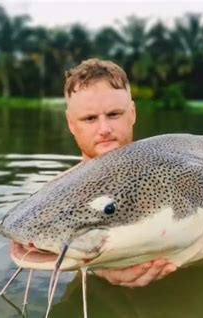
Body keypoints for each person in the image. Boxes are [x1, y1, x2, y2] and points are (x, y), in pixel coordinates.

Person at [63, 58, 177, 287]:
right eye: (90, 118)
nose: (104, 129)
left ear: (132, 113)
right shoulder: (58, 196)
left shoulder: (168, 175)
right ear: (71, 123)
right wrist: (97, 267)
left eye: (114, 114)